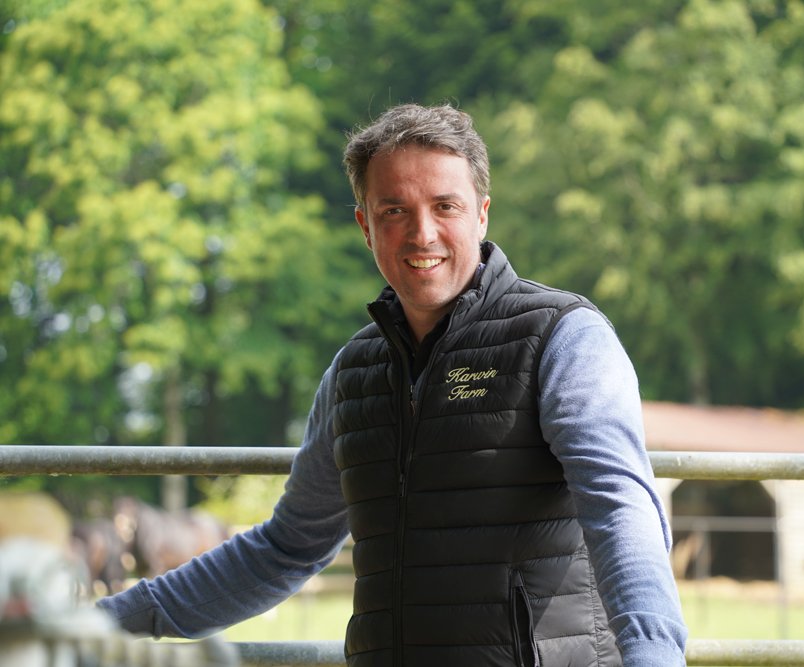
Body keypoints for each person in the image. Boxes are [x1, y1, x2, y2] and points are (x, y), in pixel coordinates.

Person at [97, 103, 688, 666]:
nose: (422, 233)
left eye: (445, 206)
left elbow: (621, 509)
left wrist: (654, 655)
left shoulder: (564, 337)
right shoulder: (351, 374)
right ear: (365, 225)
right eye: (394, 211)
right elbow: (285, 548)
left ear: (482, 213)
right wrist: (101, 623)